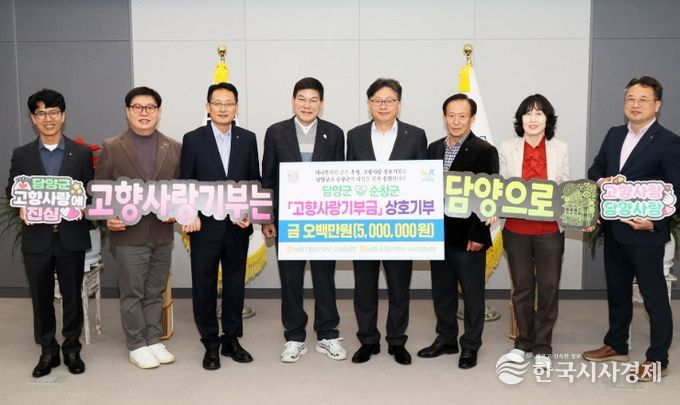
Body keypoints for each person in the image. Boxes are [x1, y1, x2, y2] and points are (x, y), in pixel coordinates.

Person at [584, 76, 680, 381]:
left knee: (654, 299)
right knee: (618, 292)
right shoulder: (614, 134)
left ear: (657, 105)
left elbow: (677, 189)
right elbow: (596, 168)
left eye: (643, 99)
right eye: (630, 98)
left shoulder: (668, 141)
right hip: (614, 230)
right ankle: (616, 344)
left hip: (646, 233)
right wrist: (603, 181)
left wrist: (656, 221)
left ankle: (657, 359)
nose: (635, 104)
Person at [6, 89, 93, 377]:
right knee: (40, 297)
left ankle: (71, 348)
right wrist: (20, 205)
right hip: (37, 238)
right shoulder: (22, 154)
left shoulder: (81, 153)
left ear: (63, 115)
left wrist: (83, 205)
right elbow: (12, 191)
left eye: (53, 112)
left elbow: (90, 191)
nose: (48, 118)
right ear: (33, 118)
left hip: (71, 235)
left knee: (72, 294)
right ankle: (48, 349)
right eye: (41, 113)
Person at [95, 86, 181, 369]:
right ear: (127, 111)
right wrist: (107, 216)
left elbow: (180, 190)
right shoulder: (112, 146)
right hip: (128, 233)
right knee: (132, 293)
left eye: (150, 107)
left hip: (162, 233)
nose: (144, 113)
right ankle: (136, 344)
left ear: (158, 112)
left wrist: (176, 212)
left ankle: (153, 339)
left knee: (155, 291)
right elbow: (101, 191)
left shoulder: (174, 147)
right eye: (137, 107)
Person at [261, 77, 346, 363]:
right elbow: (268, 177)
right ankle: (295, 336)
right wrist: (267, 218)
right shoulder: (276, 132)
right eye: (302, 99)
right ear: (293, 101)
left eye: (313, 100)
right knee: (290, 280)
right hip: (288, 221)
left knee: (325, 278)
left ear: (321, 104)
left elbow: (341, 178)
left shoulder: (334, 133)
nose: (307, 105)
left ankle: (327, 334)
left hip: (324, 221)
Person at [180, 82, 261, 370]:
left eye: (229, 103)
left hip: (237, 226)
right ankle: (210, 343)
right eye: (218, 103)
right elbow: (186, 182)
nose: (223, 108)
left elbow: (254, 180)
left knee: (235, 285)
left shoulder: (248, 138)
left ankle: (231, 339)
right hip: (204, 227)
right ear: (208, 106)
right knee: (204, 286)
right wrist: (189, 214)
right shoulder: (193, 139)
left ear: (236, 107)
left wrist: (249, 211)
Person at [346, 78, 427, 365]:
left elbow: (423, 182)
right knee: (364, 288)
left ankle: (396, 341)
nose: (383, 105)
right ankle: (368, 340)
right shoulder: (354, 136)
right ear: (369, 104)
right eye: (377, 100)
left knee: (399, 288)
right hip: (364, 226)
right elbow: (347, 180)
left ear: (399, 104)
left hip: (401, 227)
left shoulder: (415, 136)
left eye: (389, 100)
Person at [418, 94, 498, 370]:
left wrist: (479, 235)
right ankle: (446, 338)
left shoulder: (485, 150)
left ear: (472, 119)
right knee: (442, 292)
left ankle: (471, 345)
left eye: (462, 116)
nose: (456, 121)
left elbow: (488, 197)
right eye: (451, 115)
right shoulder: (433, 148)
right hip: (438, 234)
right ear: (444, 117)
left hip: (468, 237)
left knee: (473, 294)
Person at [498, 94, 569, 370]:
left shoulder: (560, 148)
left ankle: (543, 347)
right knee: (523, 288)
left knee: (548, 287)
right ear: (521, 119)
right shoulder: (508, 147)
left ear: (548, 119)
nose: (533, 118)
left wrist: (581, 214)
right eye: (527, 113)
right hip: (516, 228)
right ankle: (523, 343)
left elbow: (564, 187)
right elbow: (501, 186)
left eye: (539, 113)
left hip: (549, 229)